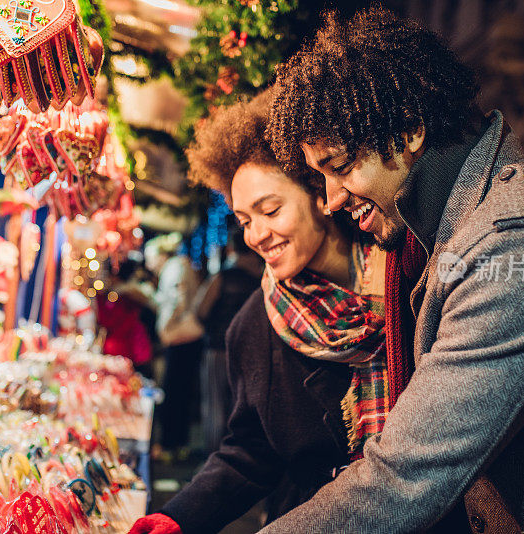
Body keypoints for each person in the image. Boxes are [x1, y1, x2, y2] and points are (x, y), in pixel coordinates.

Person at [259, 7, 524, 533]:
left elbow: (402, 479)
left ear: (410, 129)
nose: (331, 200)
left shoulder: (519, 244)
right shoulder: (464, 228)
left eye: (339, 166)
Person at [130, 91, 466, 534]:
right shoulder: (255, 326)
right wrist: (178, 517)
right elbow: (249, 452)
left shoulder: (410, 273)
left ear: (319, 194)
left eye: (270, 210)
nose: (257, 235)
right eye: (245, 220)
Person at [193, 225, 263, 453]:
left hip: (218, 349)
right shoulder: (262, 280)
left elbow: (200, 310)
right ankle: (236, 458)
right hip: (251, 352)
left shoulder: (222, 277)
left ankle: (214, 458)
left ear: (232, 247)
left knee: (215, 406)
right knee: (240, 407)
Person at [145, 233, 205, 458]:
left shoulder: (174, 268)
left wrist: (165, 328)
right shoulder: (180, 266)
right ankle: (178, 444)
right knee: (180, 392)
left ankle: (169, 446)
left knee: (173, 392)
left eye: (150, 257)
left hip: (180, 338)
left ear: (161, 255)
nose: (148, 263)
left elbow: (176, 302)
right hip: (185, 338)